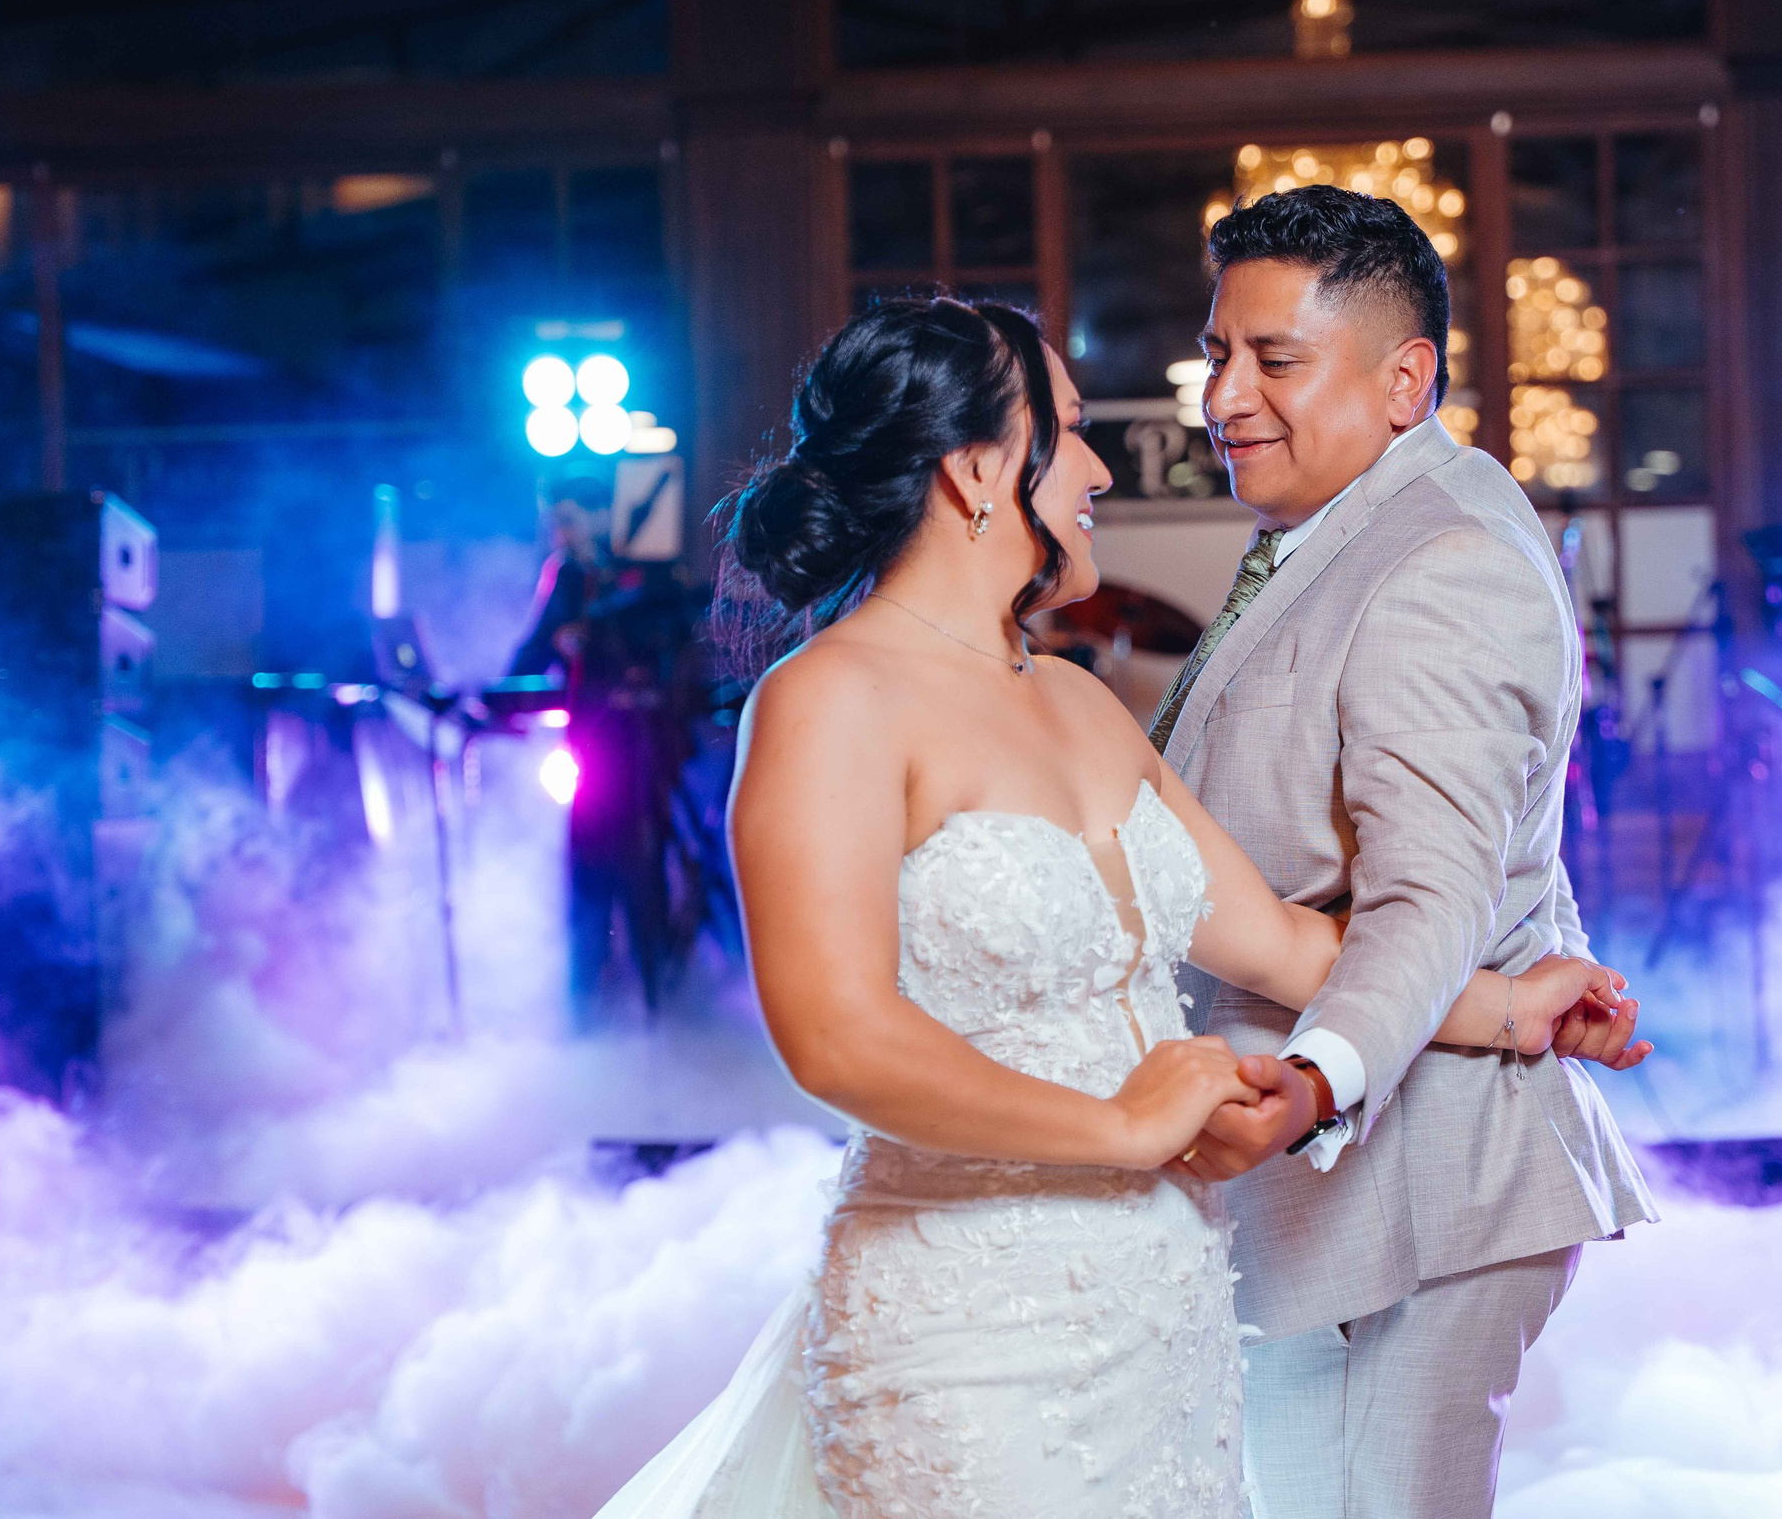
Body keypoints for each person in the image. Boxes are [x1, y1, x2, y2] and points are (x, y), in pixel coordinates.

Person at [587, 296, 1639, 1518]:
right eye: (1071, 432)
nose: (1096, 469)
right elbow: (837, 1037)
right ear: (978, 467)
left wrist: (1511, 1009)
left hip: (1164, 1308)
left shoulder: (1081, 704)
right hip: (967, 1323)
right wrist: (1125, 1128)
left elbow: (1284, 942)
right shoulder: (830, 699)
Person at [1156, 184, 1659, 1519]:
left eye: (1273, 359)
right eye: (1218, 352)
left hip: (1423, 1180)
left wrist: (1319, 1073)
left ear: (1403, 379)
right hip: (1337, 1198)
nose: (1224, 394)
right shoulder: (1338, 530)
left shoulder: (1439, 558)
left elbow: (1428, 890)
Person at [509, 474, 691, 1025]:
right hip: (590, 748)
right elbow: (534, 647)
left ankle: (661, 1008)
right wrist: (494, 697)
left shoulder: (647, 571)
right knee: (588, 876)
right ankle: (586, 1009)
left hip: (644, 749)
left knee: (645, 873)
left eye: (566, 519)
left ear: (599, 515)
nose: (558, 532)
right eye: (552, 522)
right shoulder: (565, 576)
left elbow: (678, 640)